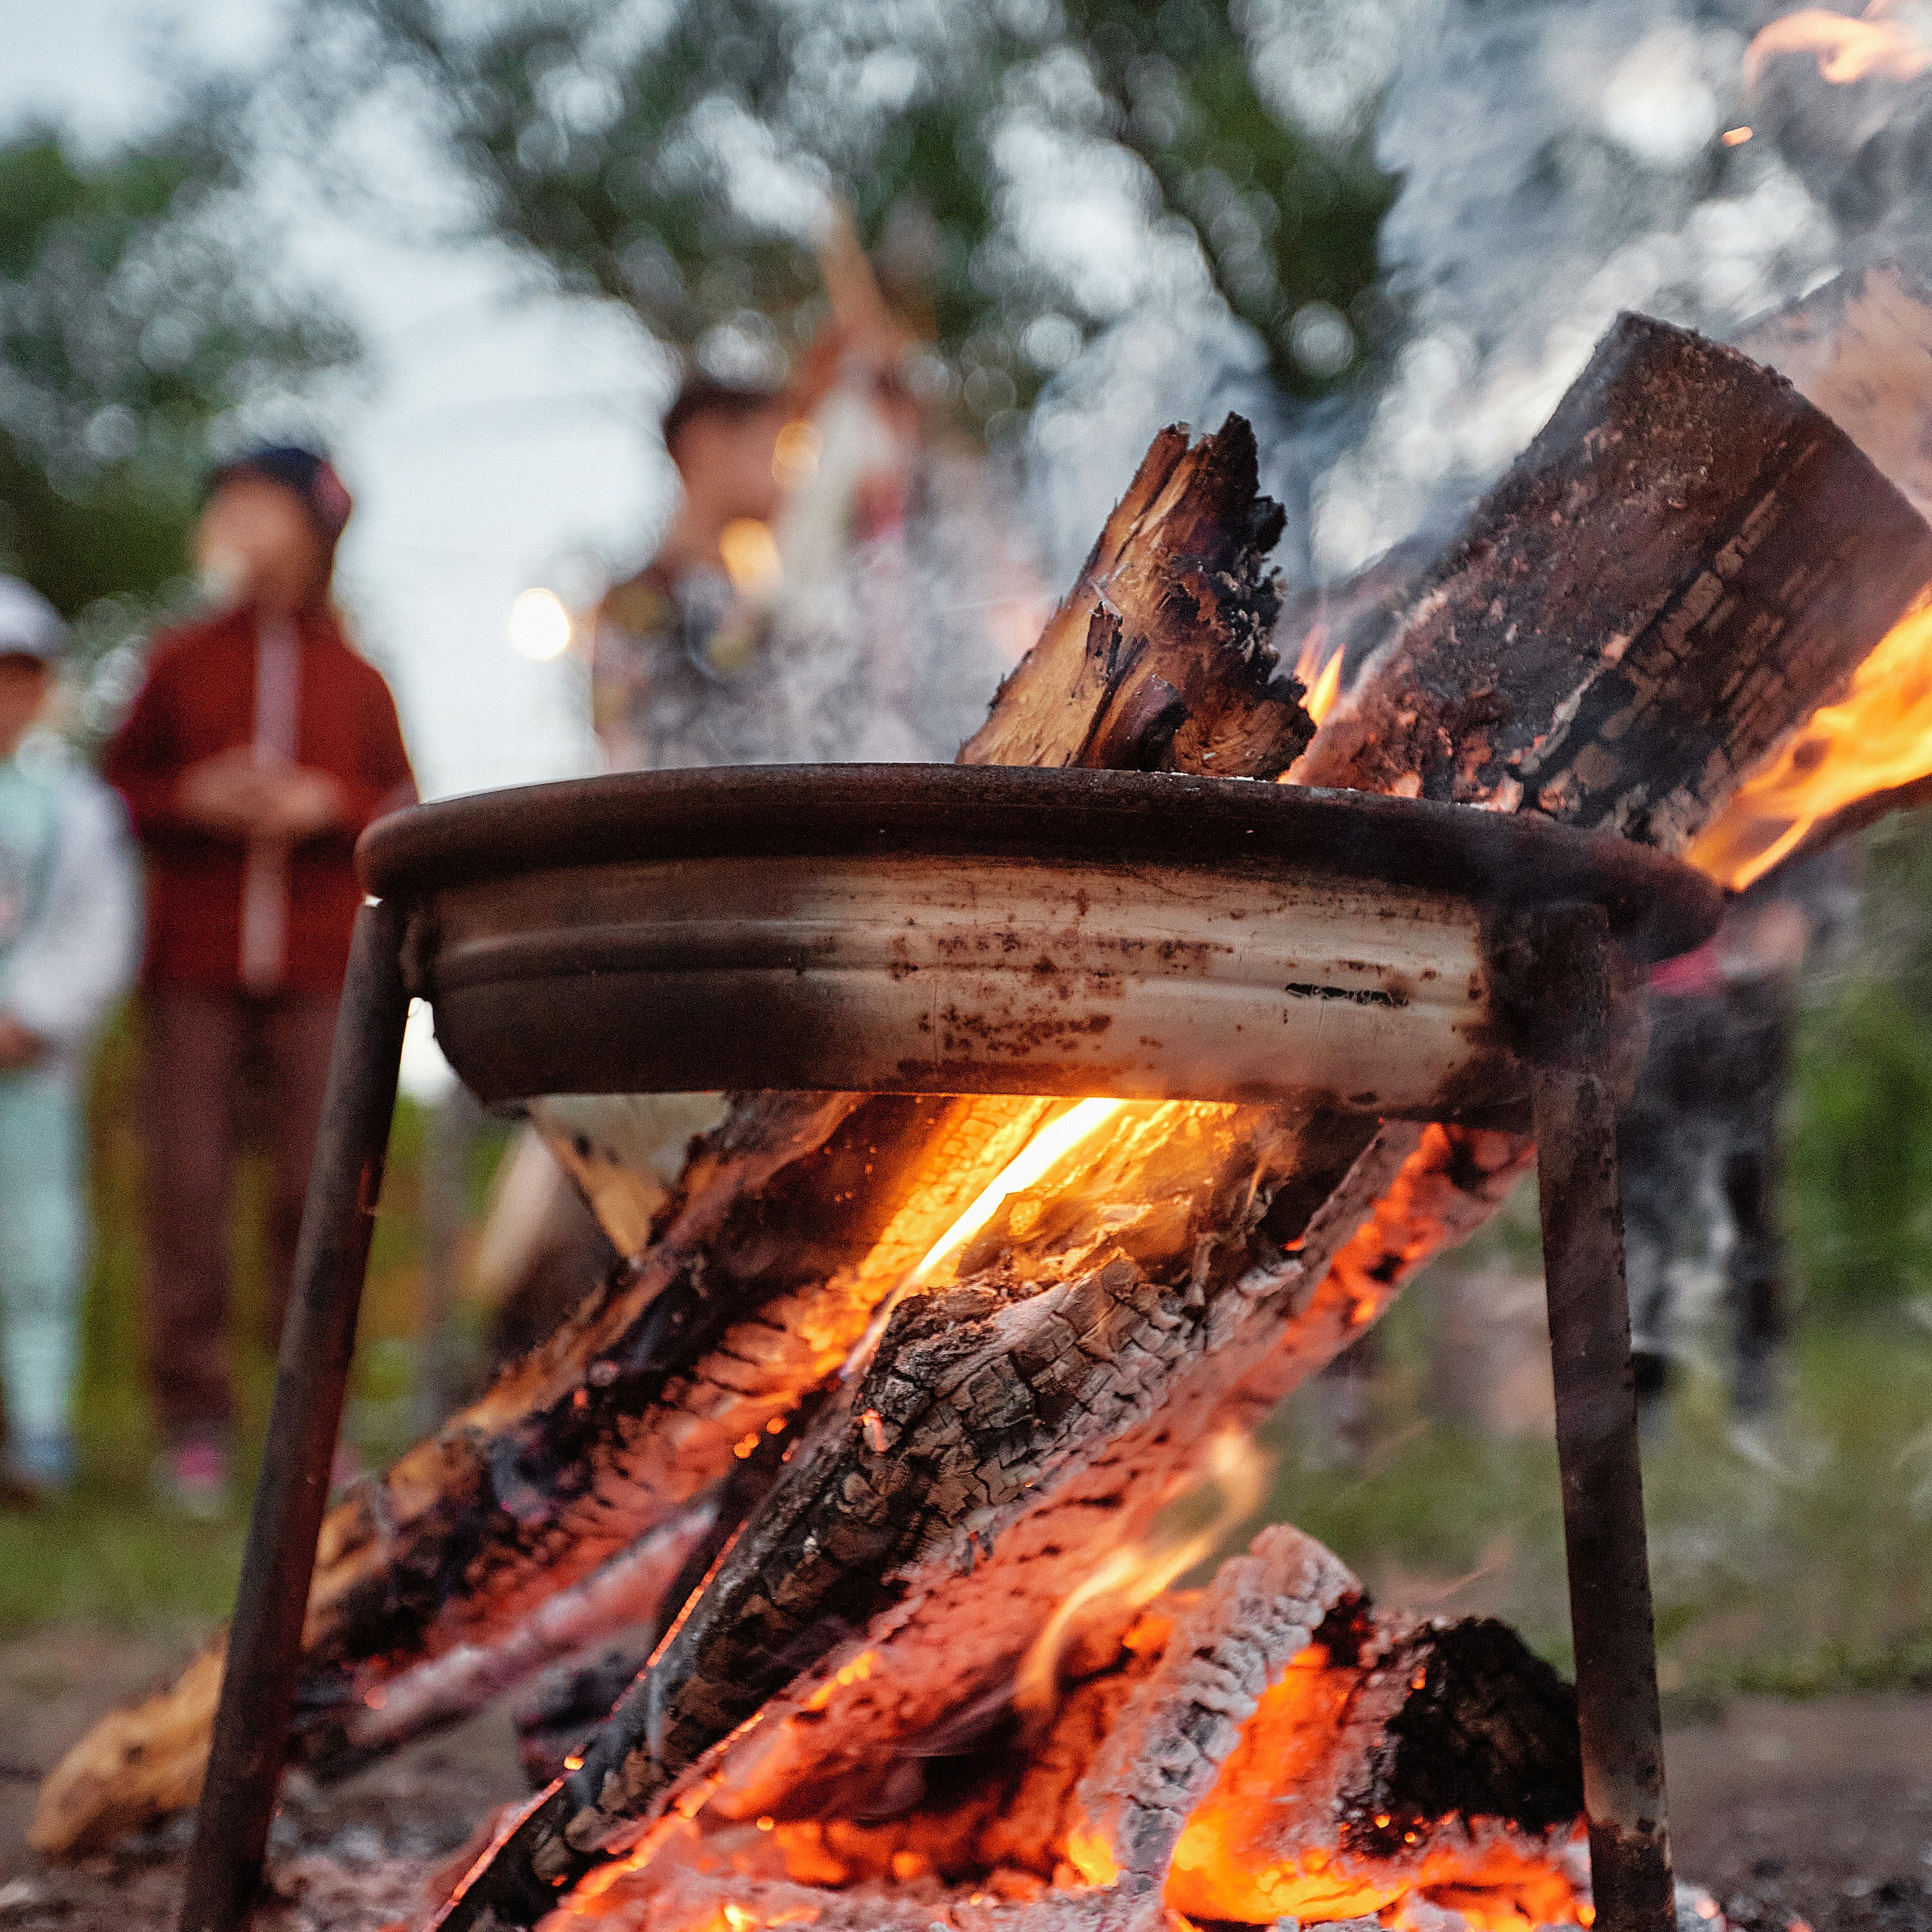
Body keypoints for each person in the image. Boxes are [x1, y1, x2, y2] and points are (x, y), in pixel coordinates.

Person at [103, 445, 415, 1514]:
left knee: (315, 1191)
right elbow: (120, 789)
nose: (232, 519)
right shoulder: (180, 660)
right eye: (224, 500)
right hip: (190, 968)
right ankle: (192, 1424)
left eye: (256, 503)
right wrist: (195, 793)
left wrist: (322, 804)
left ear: (313, 526)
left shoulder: (358, 677)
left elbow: (402, 806)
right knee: (185, 1191)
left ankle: (308, 1426)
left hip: (322, 973)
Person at [0, 580, 140, 1500]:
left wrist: (31, 1015)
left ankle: (38, 1428)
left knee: (38, 1246)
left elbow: (100, 932)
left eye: (20, 675)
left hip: (31, 1067)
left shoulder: (81, 810)